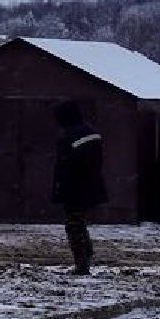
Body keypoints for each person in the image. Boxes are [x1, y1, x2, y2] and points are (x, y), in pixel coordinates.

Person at [51, 100, 107, 275]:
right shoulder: (92, 133)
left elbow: (64, 166)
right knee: (79, 222)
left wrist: (60, 187)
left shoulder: (67, 137)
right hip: (91, 184)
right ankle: (86, 256)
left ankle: (82, 264)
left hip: (74, 188)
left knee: (74, 224)